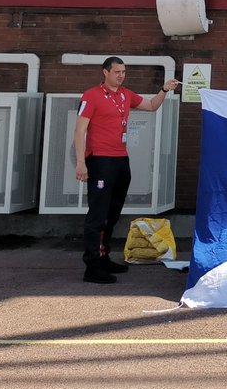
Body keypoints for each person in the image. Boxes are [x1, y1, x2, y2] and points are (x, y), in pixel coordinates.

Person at [74, 57, 179, 284]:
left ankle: (103, 257)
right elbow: (79, 130)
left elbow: (151, 106)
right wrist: (81, 163)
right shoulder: (91, 96)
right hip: (100, 160)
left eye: (123, 72)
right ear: (105, 73)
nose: (121, 75)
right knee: (98, 214)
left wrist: (164, 90)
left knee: (112, 213)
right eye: (117, 72)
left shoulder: (125, 94)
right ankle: (91, 266)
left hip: (121, 159)